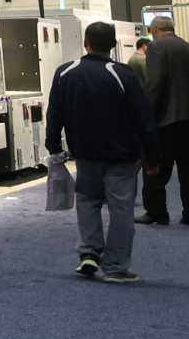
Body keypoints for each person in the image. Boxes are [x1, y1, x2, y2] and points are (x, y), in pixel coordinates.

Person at [47, 20, 160, 282]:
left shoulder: (65, 72)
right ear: (113, 45)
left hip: (84, 153)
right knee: (121, 209)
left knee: (87, 201)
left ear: (85, 42)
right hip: (122, 156)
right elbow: (143, 119)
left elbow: (54, 112)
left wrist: (54, 146)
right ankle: (116, 267)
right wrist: (153, 157)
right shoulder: (123, 74)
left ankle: (88, 252)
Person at [138, 15, 189, 225]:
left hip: (165, 120)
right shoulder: (185, 46)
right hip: (187, 120)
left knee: (155, 168)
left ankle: (156, 212)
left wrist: (147, 115)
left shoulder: (156, 47)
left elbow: (155, 84)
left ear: (154, 31)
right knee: (187, 169)